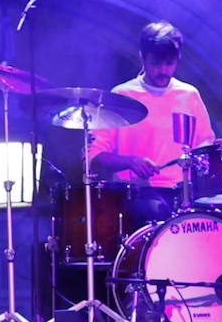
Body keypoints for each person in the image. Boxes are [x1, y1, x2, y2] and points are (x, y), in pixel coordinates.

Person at [90, 21, 215, 226]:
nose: (163, 71)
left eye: (170, 63)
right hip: (135, 195)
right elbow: (94, 156)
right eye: (156, 63)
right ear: (142, 57)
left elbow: (204, 145)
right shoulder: (122, 95)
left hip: (184, 193)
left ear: (178, 59)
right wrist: (131, 162)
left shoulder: (189, 95)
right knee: (154, 209)